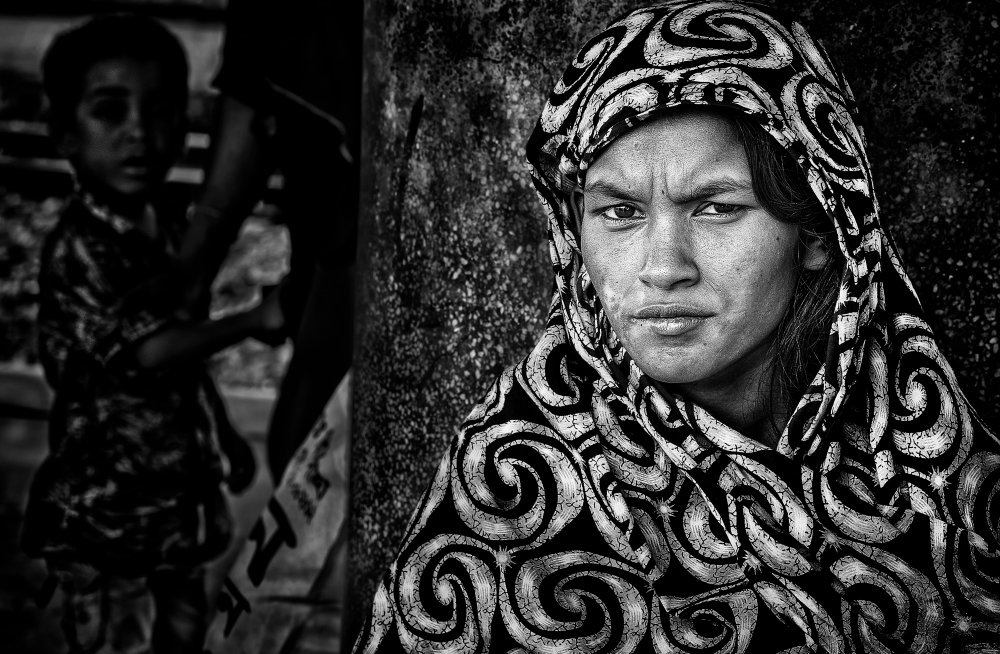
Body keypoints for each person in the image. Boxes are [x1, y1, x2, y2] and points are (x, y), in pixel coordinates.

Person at [351, 2, 1000, 652]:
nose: (662, 269)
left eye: (716, 207)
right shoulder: (512, 480)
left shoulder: (923, 447)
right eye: (620, 211)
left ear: (817, 233)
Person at [20, 15, 282, 653]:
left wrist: (220, 436)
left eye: (162, 110)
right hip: (107, 520)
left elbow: (181, 356)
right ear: (64, 135)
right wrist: (249, 321)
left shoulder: (165, 225)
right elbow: (144, 355)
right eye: (110, 111)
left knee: (181, 632)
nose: (140, 132)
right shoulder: (80, 248)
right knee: (121, 640)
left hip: (173, 507)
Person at [169, 0, 362, 481]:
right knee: (310, 456)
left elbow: (249, 102)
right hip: (337, 242)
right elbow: (146, 356)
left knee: (309, 453)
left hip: (345, 245)